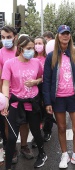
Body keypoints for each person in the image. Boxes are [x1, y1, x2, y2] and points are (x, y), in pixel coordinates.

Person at [43, 25, 75, 169]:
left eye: (67, 33)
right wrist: (47, 101)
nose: (65, 36)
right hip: (58, 98)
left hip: (74, 97)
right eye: (63, 34)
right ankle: (64, 154)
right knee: (61, 128)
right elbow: (47, 80)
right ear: (58, 36)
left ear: (70, 36)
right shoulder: (51, 56)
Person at [1, 35, 47, 169]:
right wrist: (5, 100)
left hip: (32, 102)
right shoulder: (10, 63)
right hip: (16, 103)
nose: (32, 51)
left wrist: (36, 82)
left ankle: (42, 155)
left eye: (33, 48)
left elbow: (41, 77)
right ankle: (8, 165)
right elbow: (5, 83)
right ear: (20, 48)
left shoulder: (36, 62)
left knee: (36, 132)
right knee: (12, 137)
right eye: (29, 48)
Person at [0, 26, 33, 163]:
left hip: (25, 93)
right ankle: (12, 148)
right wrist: (3, 97)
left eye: (8, 37)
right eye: (3, 37)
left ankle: (24, 145)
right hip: (7, 94)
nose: (6, 40)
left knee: (25, 122)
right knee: (8, 123)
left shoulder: (21, 51)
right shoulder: (0, 53)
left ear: (15, 37)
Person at [34, 36, 56, 143]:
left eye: (40, 43)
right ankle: (37, 133)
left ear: (44, 45)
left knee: (48, 109)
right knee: (37, 111)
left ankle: (47, 131)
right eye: (36, 43)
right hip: (35, 87)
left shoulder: (49, 57)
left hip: (47, 86)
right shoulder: (32, 58)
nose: (38, 46)